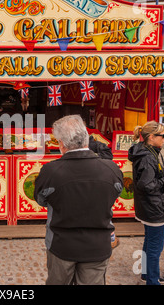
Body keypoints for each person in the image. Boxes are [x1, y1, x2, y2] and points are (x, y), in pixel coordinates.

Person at [34, 115, 123, 285]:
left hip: (62, 244)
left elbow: (41, 199)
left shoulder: (50, 171)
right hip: (97, 245)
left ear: (61, 143)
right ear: (86, 139)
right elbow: (115, 194)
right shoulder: (111, 169)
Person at [128, 121, 164, 285]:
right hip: (154, 208)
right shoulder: (148, 157)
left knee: (150, 242)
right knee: (155, 248)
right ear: (151, 137)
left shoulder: (147, 152)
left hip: (149, 207)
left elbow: (150, 178)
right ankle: (152, 280)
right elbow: (147, 185)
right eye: (162, 136)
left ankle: (146, 274)